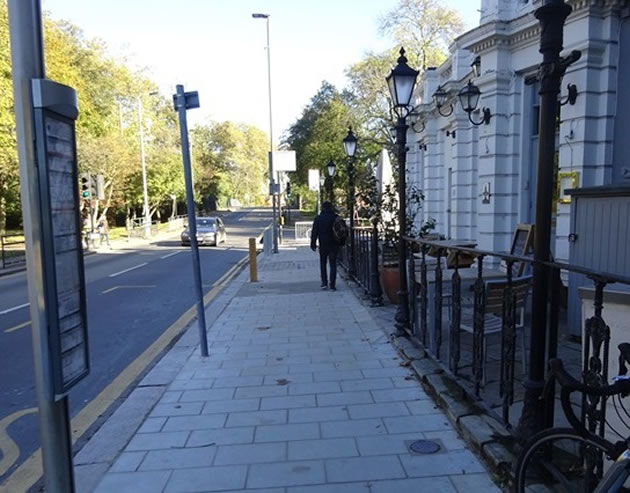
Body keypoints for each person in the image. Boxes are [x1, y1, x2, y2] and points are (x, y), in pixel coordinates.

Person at [310, 201, 338, 291]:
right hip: (334, 243)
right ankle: (332, 284)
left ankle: (324, 283)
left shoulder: (318, 218)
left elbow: (314, 232)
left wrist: (313, 243)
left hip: (323, 244)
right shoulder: (335, 217)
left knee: (323, 263)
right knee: (333, 264)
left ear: (323, 208)